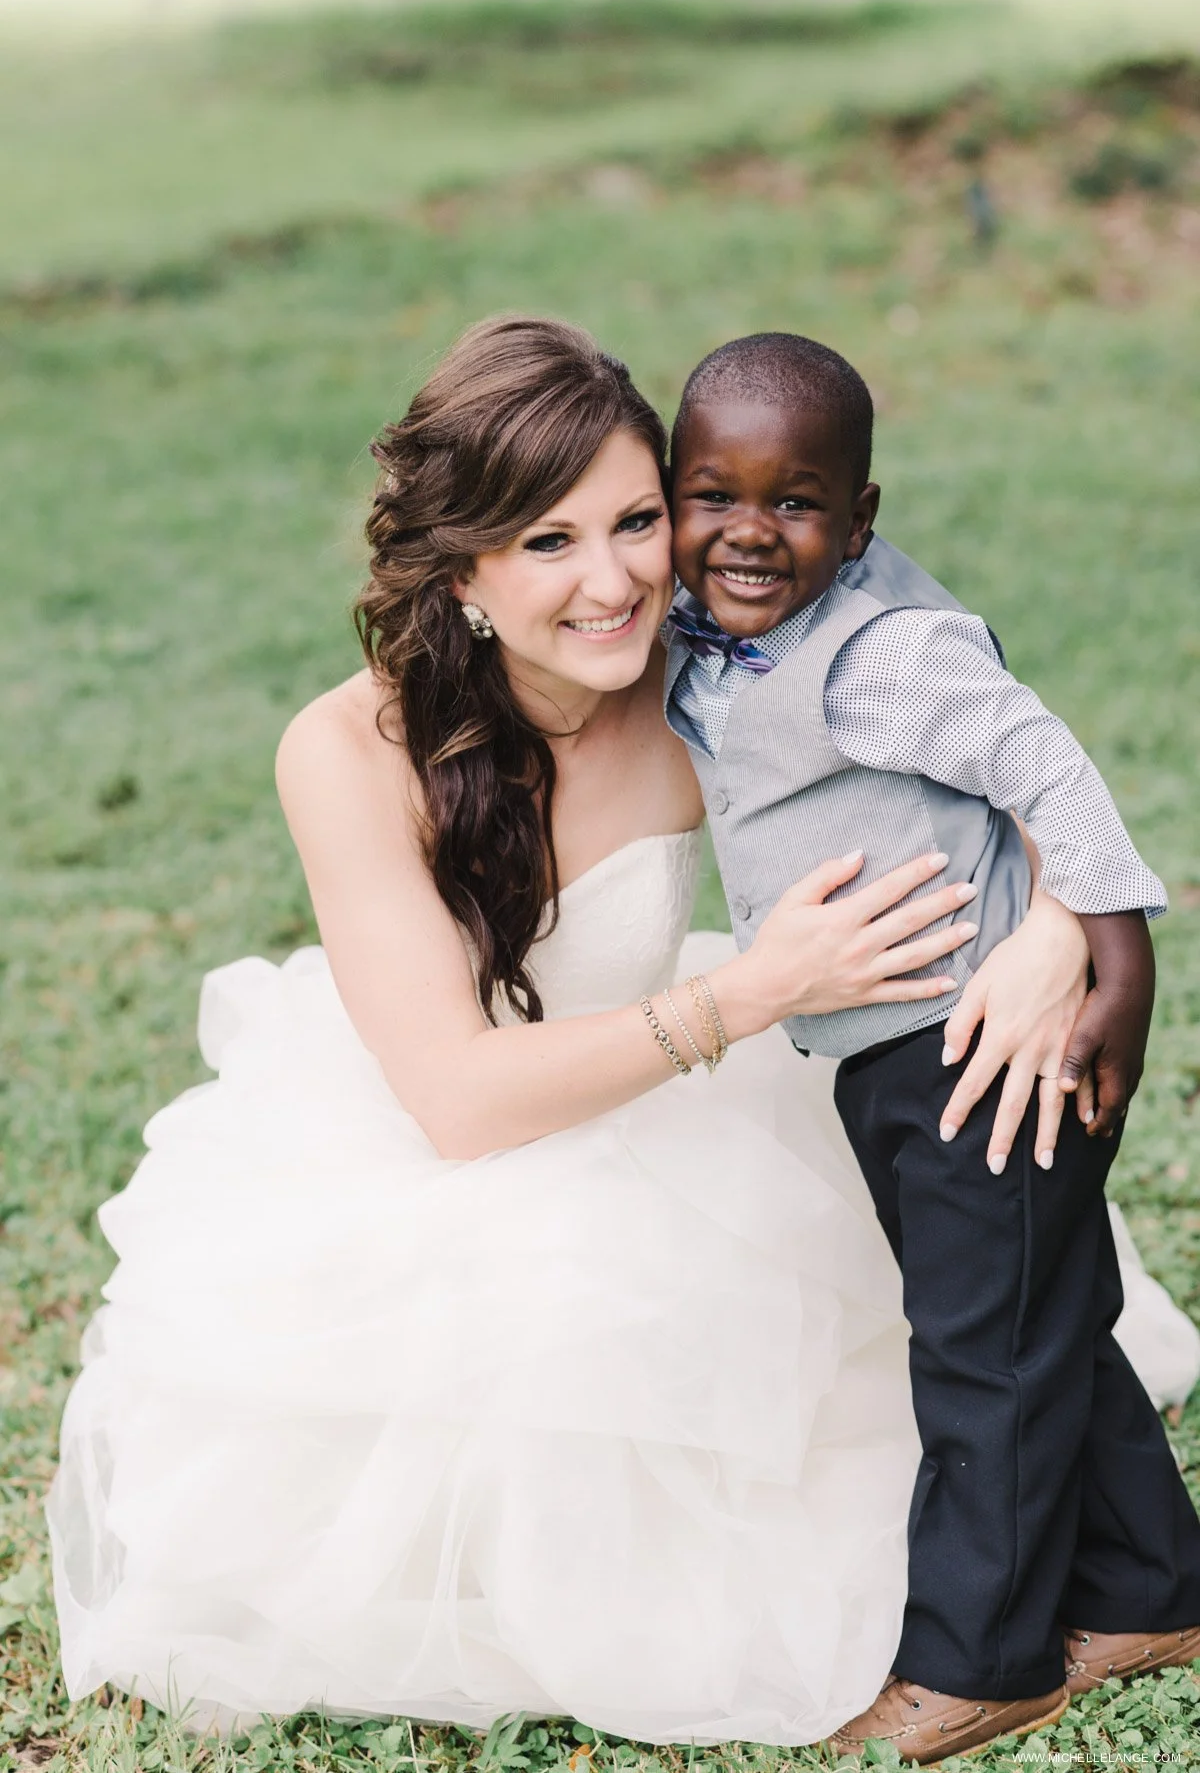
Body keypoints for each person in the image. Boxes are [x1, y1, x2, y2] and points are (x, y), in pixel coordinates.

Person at [48, 318, 1198, 1748]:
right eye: (548, 542)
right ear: (460, 569)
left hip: (711, 1080)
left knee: (978, 1317)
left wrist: (1049, 927)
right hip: (463, 1146)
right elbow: (456, 1102)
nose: (616, 582)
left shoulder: (711, 656)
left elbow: (970, 701)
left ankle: (1115, 1587)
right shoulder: (345, 749)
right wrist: (755, 990)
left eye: (639, 520)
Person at [663, 330, 1200, 1762]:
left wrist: (1117, 963)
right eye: (714, 495)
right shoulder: (697, 610)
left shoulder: (884, 653)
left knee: (984, 1359)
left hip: (985, 1049)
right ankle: (1154, 1587)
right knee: (1037, 1325)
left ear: (863, 517)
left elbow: (1047, 764)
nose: (751, 533)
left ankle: (980, 1655)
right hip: (894, 1052)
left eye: (799, 501)